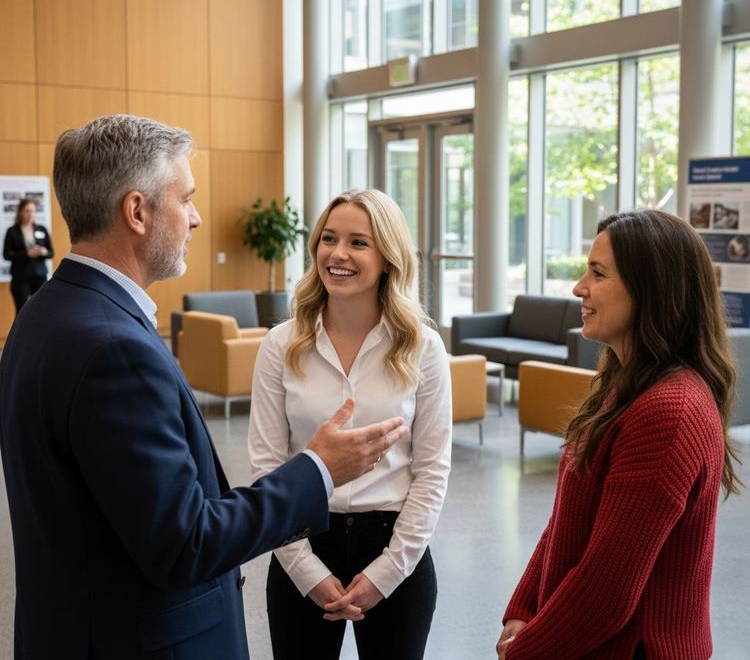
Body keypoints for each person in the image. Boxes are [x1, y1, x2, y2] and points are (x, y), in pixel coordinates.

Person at [0, 115, 409, 660]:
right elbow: (186, 542)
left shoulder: (45, 313)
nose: (194, 218)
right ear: (137, 212)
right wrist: (318, 469)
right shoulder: (111, 348)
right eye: (185, 198)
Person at [496, 209, 743, 660]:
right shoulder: (626, 385)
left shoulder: (669, 412)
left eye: (598, 273)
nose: (578, 288)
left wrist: (526, 651)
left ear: (650, 290)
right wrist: (525, 607)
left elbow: (606, 588)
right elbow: (568, 521)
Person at [248, 189, 452, 660]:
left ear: (388, 257)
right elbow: (266, 466)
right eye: (328, 239)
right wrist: (305, 571)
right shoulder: (280, 345)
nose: (337, 254)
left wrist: (386, 573)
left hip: (396, 549)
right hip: (301, 542)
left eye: (358, 242)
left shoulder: (424, 348)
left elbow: (432, 471)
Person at [3, 198, 54, 313]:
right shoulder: (12, 231)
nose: (30, 214)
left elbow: (51, 253)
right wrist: (26, 253)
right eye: (27, 211)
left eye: (33, 211)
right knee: (22, 311)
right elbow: (6, 255)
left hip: (40, 275)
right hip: (21, 277)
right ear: (20, 212)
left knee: (41, 310)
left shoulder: (42, 229)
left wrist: (44, 252)